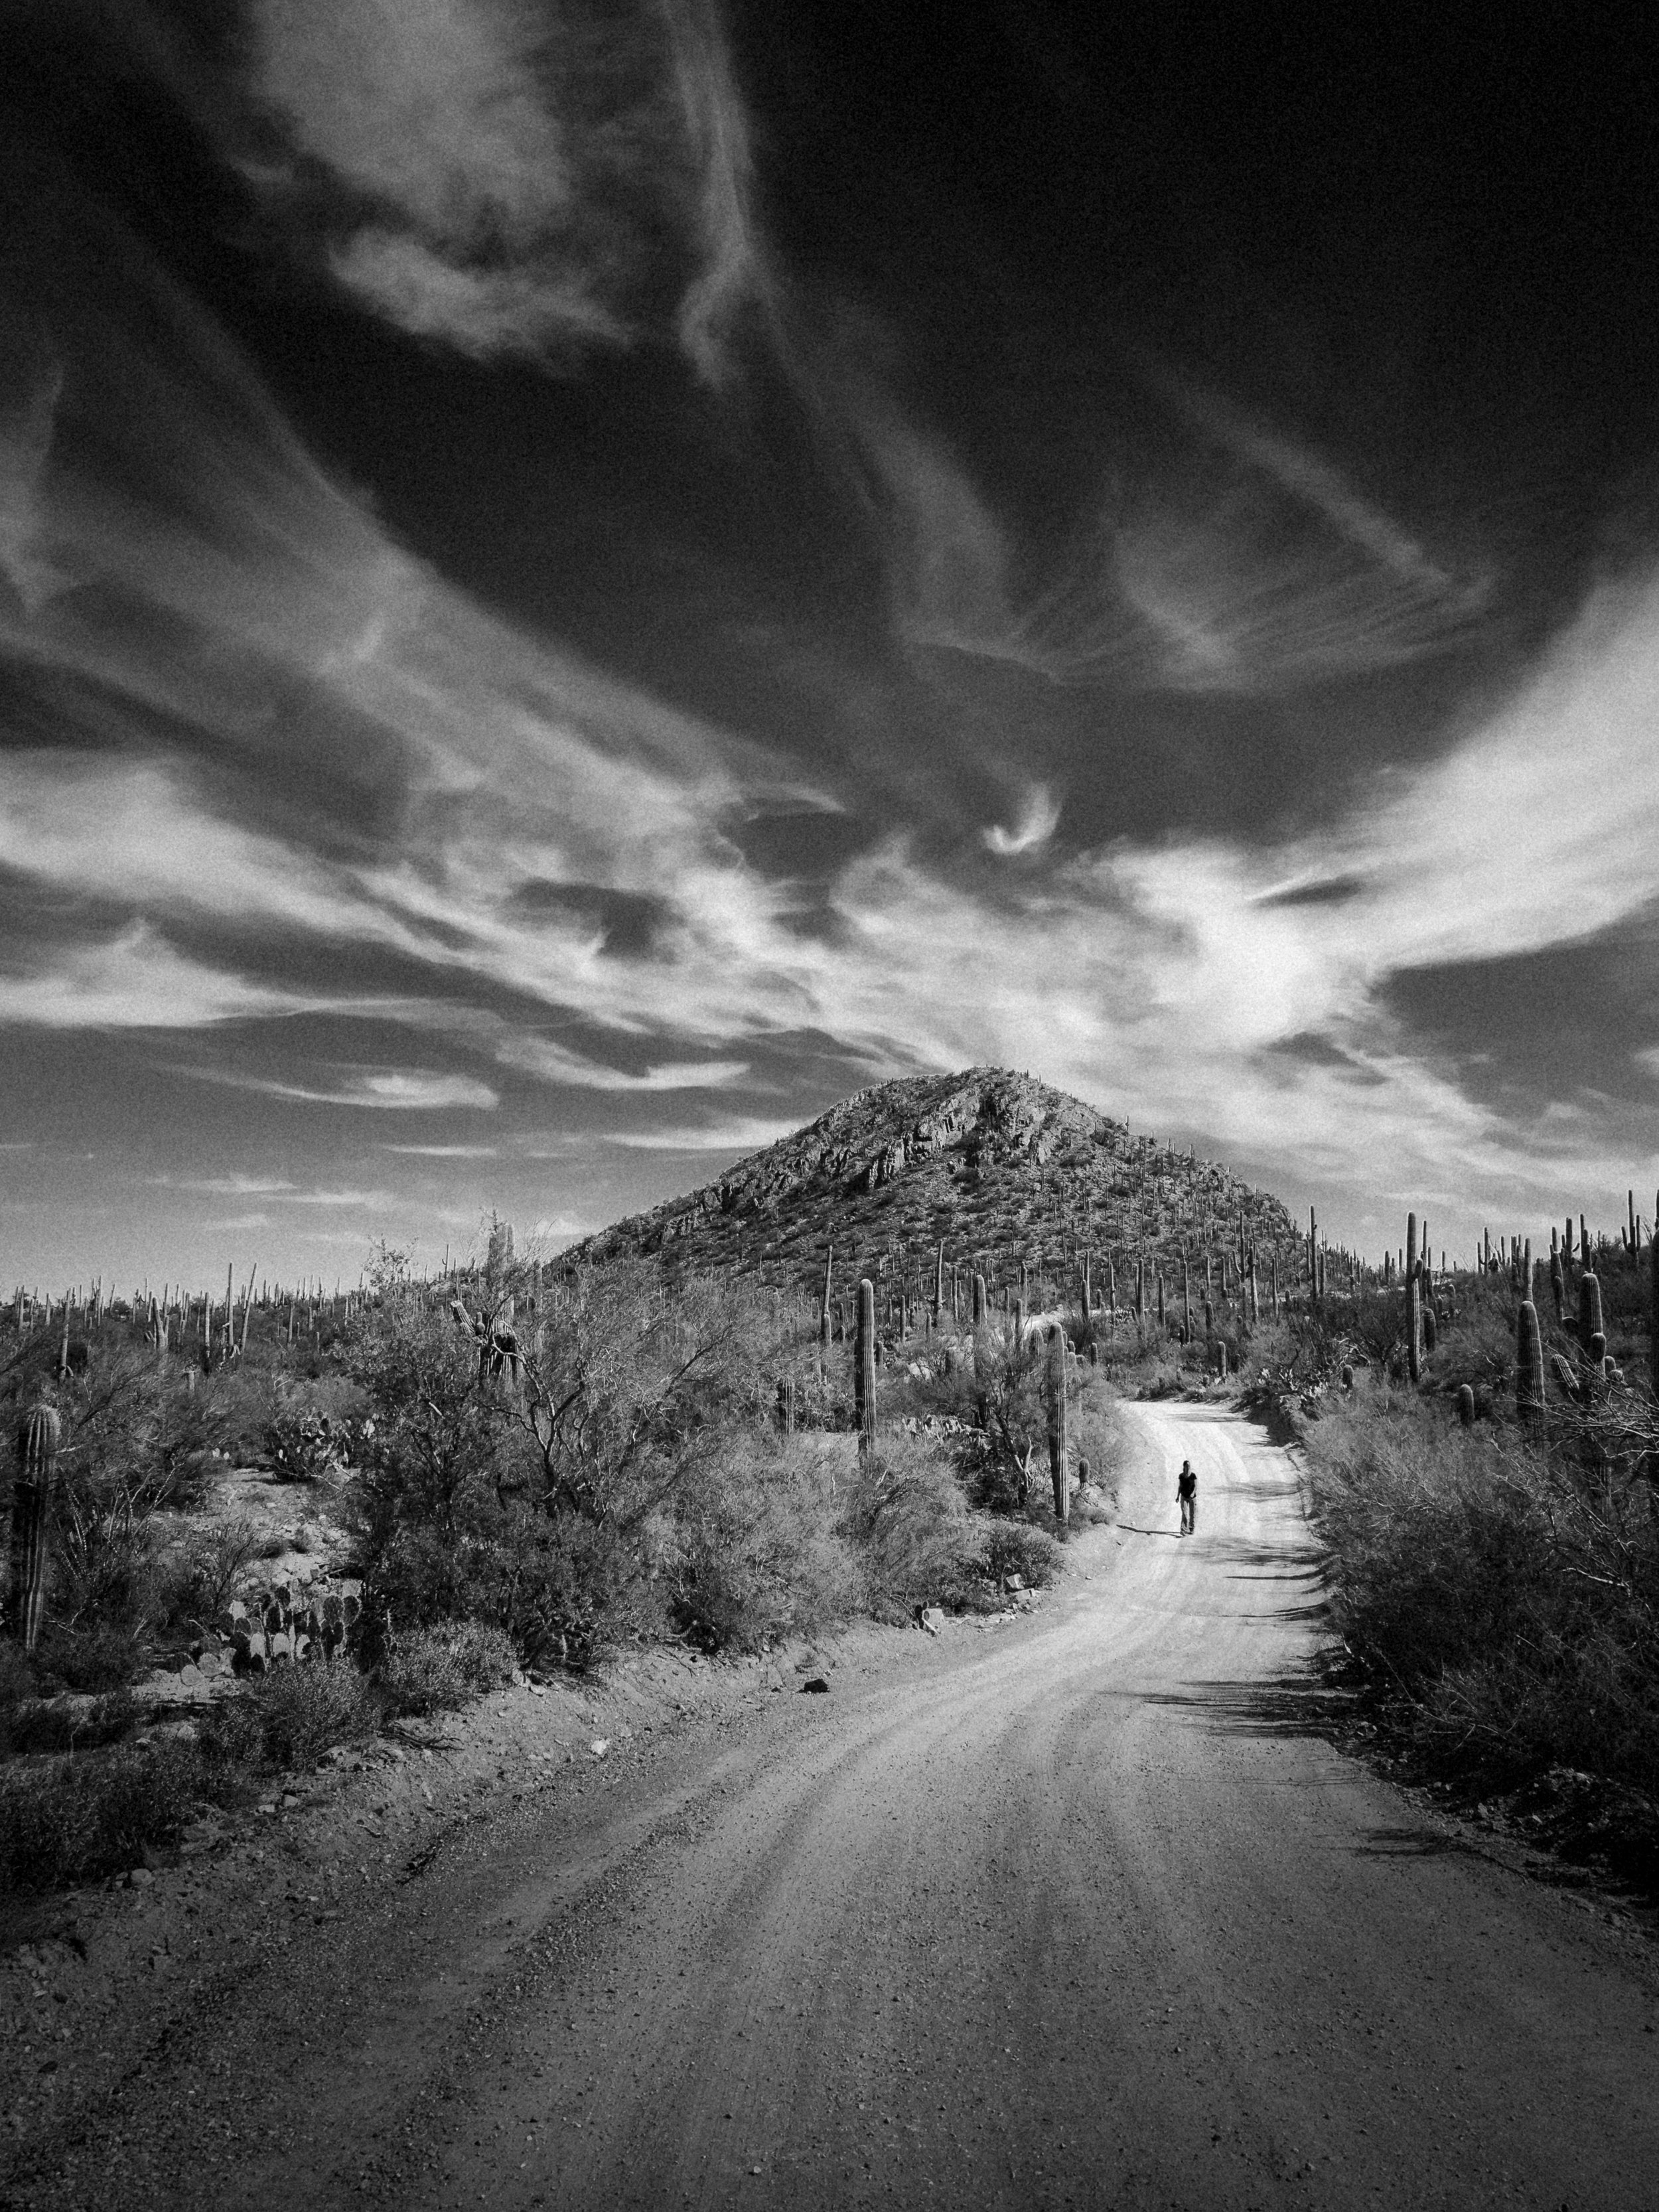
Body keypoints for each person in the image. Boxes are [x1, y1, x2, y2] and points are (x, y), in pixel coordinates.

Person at [1176, 1458, 1198, 1536]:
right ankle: (1184, 1529)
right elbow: (1180, 1486)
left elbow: (1195, 1486)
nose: (1188, 1467)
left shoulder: (1193, 1475)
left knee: (1192, 1514)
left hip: (1192, 1498)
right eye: (1187, 1466)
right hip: (1184, 1497)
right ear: (1184, 1467)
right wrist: (1178, 1496)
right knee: (1184, 1513)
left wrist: (1192, 1494)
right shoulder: (1181, 1476)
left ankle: (1191, 1528)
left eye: (1189, 1466)